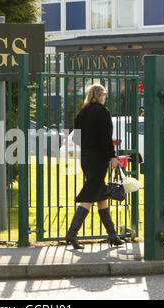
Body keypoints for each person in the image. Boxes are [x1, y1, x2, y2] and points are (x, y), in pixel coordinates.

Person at [65, 83, 125, 250]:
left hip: (85, 157)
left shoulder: (82, 113)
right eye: (104, 95)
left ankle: (112, 235)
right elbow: (106, 138)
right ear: (101, 95)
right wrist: (112, 157)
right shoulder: (102, 112)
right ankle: (71, 233)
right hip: (98, 158)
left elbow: (75, 138)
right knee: (90, 195)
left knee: (100, 195)